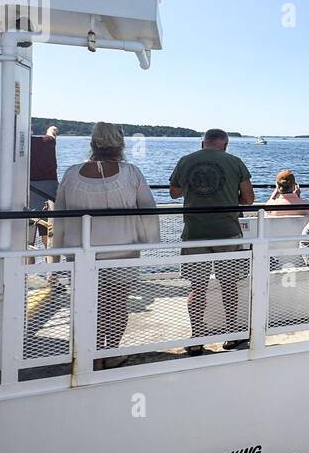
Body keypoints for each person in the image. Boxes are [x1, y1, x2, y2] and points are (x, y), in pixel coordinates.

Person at [52, 123, 159, 369]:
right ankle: (108, 352)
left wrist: (57, 253)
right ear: (120, 145)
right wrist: (151, 242)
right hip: (123, 252)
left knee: (88, 305)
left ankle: (90, 354)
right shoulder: (131, 173)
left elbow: (59, 216)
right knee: (117, 304)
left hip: (82, 254)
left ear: (93, 143)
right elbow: (149, 210)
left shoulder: (71, 174)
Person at [169, 129, 255, 355]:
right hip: (227, 232)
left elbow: (174, 193)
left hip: (195, 233)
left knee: (197, 287)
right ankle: (230, 335)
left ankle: (197, 337)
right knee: (229, 285)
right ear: (225, 145)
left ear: (202, 143)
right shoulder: (235, 162)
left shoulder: (186, 161)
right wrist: (228, 198)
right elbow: (249, 199)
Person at [29, 125, 61, 257]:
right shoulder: (49, 141)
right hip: (49, 192)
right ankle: (51, 274)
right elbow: (52, 133)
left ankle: (25, 274)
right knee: (48, 235)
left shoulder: (22, 143)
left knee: (27, 240)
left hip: (29, 191)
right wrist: (51, 129)